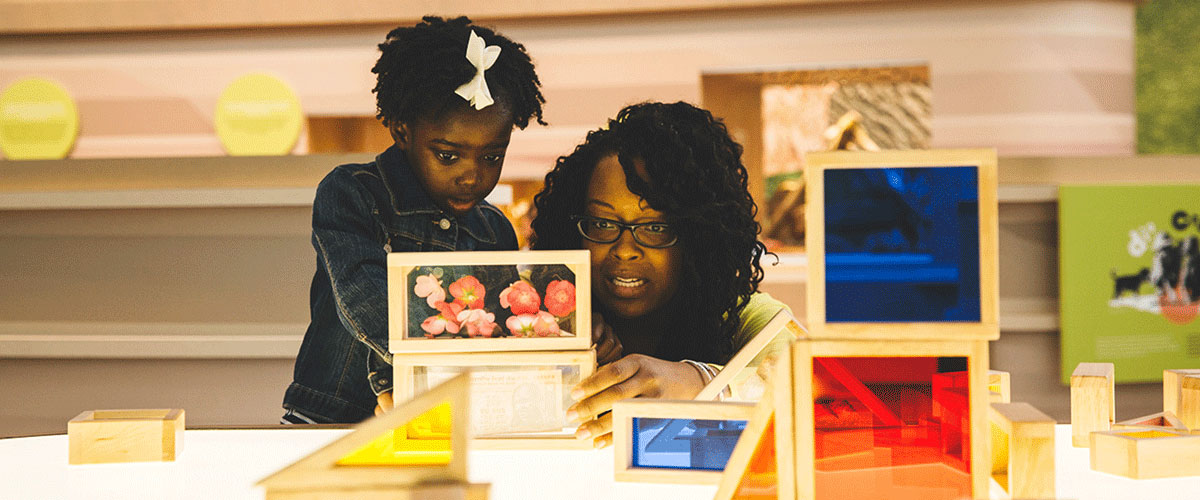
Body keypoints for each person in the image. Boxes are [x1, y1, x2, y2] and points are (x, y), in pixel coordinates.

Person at [282, 16, 545, 424]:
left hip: (441, 418)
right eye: (447, 155)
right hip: (331, 418)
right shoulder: (353, 193)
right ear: (402, 131)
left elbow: (494, 333)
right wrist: (427, 371)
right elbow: (363, 294)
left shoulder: (495, 231)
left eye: (492, 156)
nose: (471, 175)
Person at [530, 101, 789, 447]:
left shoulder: (744, 316)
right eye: (603, 223)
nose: (624, 249)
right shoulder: (535, 316)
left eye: (654, 227)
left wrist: (700, 382)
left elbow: (809, 376)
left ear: (698, 235)